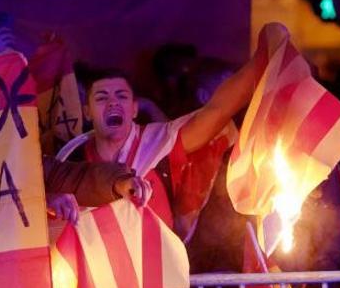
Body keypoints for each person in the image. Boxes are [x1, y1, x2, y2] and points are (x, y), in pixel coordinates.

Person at [56, 50, 259, 240]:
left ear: (135, 109)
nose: (112, 103)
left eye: (121, 96)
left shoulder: (159, 142)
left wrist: (266, 56)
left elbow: (219, 110)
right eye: (101, 98)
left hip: (161, 270)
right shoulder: (70, 159)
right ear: (87, 112)